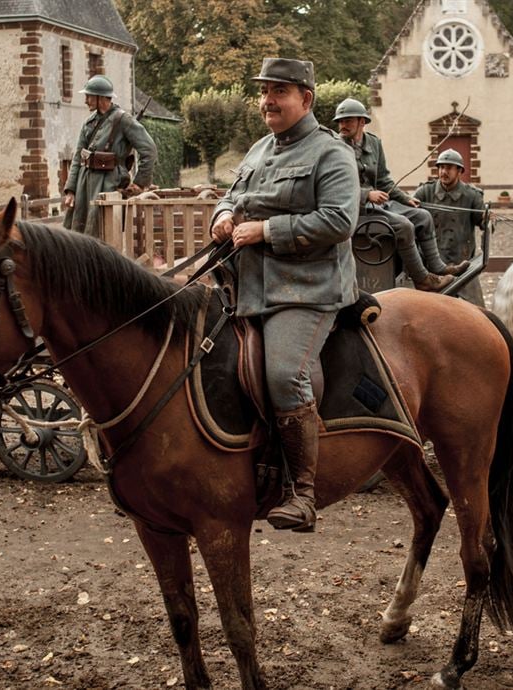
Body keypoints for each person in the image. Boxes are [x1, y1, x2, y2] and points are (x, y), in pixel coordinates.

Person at [210, 58, 358, 532]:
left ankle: (302, 491)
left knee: (282, 374)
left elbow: (339, 221)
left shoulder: (331, 153)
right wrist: (224, 215)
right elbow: (231, 193)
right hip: (246, 283)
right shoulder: (259, 149)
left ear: (306, 99)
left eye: (280, 91)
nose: (268, 100)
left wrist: (266, 230)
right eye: (264, 91)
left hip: (307, 289)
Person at [332, 98, 464, 292]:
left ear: (362, 122)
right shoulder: (334, 147)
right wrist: (367, 195)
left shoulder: (374, 144)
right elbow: (335, 185)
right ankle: (422, 280)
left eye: (348, 120)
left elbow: (384, 179)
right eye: (340, 121)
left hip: (376, 207)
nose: (342, 125)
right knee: (403, 226)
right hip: (352, 209)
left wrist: (405, 198)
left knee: (423, 216)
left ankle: (438, 267)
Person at [62, 75, 158, 237]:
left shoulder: (123, 120)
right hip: (84, 185)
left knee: (101, 232)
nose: (85, 100)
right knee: (78, 234)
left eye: (89, 96)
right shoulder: (89, 122)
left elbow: (149, 150)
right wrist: (71, 190)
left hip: (109, 183)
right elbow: (78, 158)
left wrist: (139, 183)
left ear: (101, 98)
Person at [413, 149, 486, 306]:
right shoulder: (425, 192)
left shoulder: (472, 195)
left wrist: (488, 218)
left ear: (459, 171)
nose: (443, 172)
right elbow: (408, 215)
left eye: (448, 168)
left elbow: (484, 223)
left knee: (478, 313)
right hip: (432, 269)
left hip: (463, 267)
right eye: (441, 167)